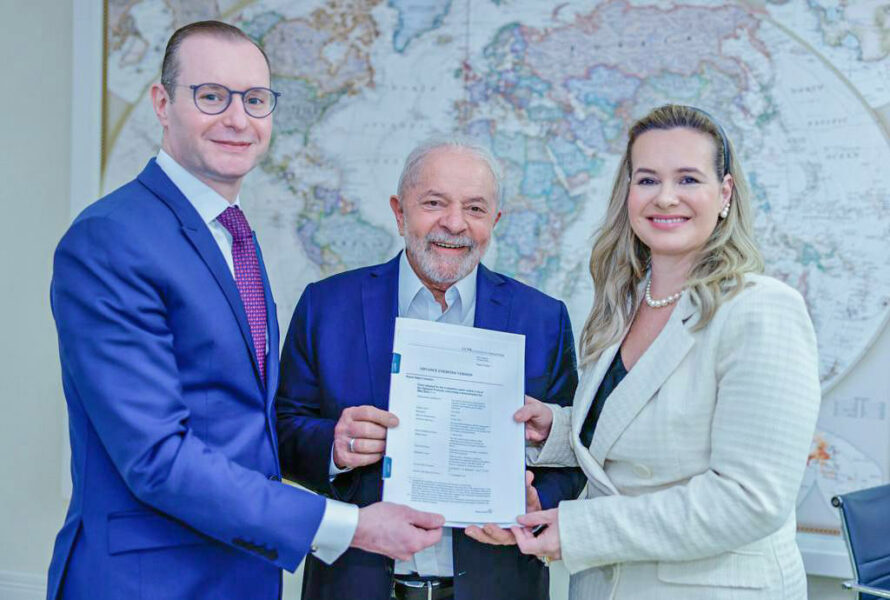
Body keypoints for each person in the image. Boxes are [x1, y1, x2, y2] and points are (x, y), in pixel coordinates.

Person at [47, 20, 443, 600]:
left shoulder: (231, 234)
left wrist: (333, 445)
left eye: (255, 100)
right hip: (149, 582)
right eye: (212, 96)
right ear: (162, 103)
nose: (238, 119)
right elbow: (157, 456)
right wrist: (351, 526)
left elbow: (239, 419)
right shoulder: (111, 239)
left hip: (242, 575)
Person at [504, 104, 820, 599]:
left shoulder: (760, 309)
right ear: (628, 193)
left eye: (688, 179)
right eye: (648, 179)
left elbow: (750, 499)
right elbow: (637, 428)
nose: (665, 197)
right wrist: (557, 429)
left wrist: (581, 529)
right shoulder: (625, 302)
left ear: (725, 194)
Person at [276, 137, 585, 600]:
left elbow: (575, 450)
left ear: (495, 222)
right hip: (355, 586)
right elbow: (281, 430)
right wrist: (334, 448)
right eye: (434, 203)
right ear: (399, 213)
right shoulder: (327, 306)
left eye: (475, 208)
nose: (455, 223)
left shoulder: (543, 319)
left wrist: (539, 501)